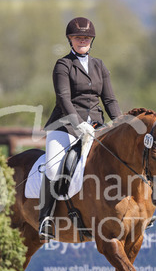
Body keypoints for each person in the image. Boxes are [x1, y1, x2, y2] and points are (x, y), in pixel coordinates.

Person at [38, 17, 122, 242]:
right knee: (53, 167)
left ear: (91, 40)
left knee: (120, 159)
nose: (82, 40)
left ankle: (133, 211)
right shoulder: (63, 65)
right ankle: (46, 218)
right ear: (70, 40)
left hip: (96, 127)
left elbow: (109, 100)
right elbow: (63, 99)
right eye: (78, 37)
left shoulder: (99, 65)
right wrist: (78, 123)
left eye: (86, 37)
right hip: (65, 126)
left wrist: (121, 124)